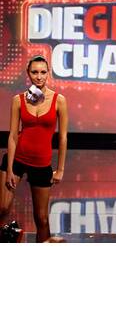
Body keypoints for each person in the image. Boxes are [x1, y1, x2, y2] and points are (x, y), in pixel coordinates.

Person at [0, 55, 68, 243]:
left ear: (49, 73)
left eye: (43, 72)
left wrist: (60, 169)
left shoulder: (59, 100)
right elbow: (13, 136)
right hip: (17, 159)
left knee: (42, 219)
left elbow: (63, 137)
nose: (39, 76)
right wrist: (10, 169)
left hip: (41, 163)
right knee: (2, 208)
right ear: (28, 74)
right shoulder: (18, 100)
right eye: (35, 72)